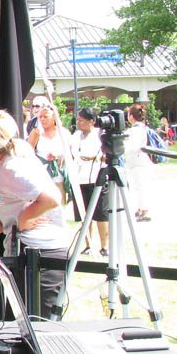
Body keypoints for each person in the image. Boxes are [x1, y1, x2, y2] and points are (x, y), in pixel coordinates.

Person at [0, 109, 68, 323]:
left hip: (40, 256)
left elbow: (52, 198)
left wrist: (23, 220)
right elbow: (23, 202)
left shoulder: (12, 167)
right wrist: (4, 224)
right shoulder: (10, 162)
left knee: (40, 331)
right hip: (31, 253)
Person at [71, 108, 110, 256]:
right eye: (78, 119)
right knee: (84, 215)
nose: (78, 122)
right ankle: (88, 244)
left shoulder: (100, 135)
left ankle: (104, 246)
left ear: (91, 121)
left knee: (101, 214)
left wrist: (96, 157)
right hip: (79, 179)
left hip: (96, 179)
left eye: (81, 120)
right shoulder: (75, 136)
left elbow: (107, 155)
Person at [27, 101, 74, 205]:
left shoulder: (64, 133)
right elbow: (28, 153)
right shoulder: (36, 132)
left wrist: (62, 156)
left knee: (59, 205)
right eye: (40, 117)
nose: (43, 119)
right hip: (42, 175)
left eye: (46, 117)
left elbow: (71, 152)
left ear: (54, 117)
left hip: (59, 174)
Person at [124, 104, 154, 222]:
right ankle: (141, 209)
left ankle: (144, 211)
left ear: (131, 117)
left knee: (141, 187)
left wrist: (125, 142)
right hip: (139, 162)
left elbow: (132, 146)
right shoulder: (142, 128)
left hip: (139, 162)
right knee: (139, 187)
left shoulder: (136, 130)